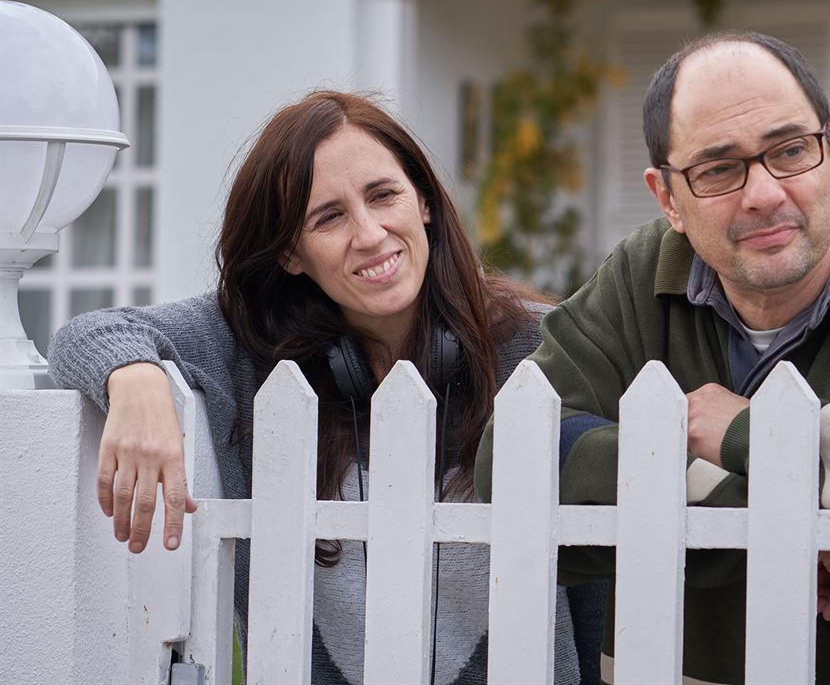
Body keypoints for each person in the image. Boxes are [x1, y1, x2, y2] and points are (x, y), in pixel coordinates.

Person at [475, 31, 830, 684]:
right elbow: (522, 462)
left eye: (790, 151)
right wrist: (768, 519)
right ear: (668, 199)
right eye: (719, 168)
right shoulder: (635, 284)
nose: (764, 193)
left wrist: (750, 435)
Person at [48, 91, 603, 684]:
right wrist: (136, 382)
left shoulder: (538, 346)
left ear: (424, 203)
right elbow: (89, 333)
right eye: (328, 217)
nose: (369, 234)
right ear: (291, 252)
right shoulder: (249, 348)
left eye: (383, 195)